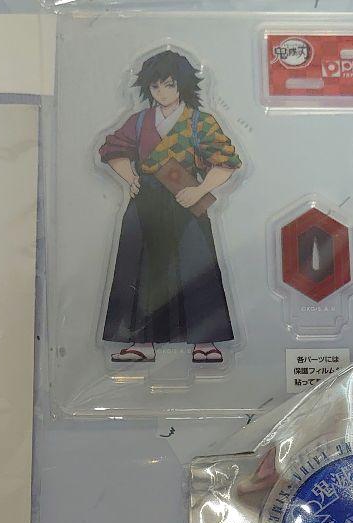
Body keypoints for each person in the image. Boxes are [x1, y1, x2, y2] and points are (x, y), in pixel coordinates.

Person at [99, 49, 241, 364]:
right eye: (155, 86)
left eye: (169, 85)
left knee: (196, 265)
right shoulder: (139, 122)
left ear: (183, 85)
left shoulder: (200, 122)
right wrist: (131, 178)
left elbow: (227, 162)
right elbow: (112, 150)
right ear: (147, 88)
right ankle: (142, 341)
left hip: (186, 200)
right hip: (146, 202)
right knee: (142, 267)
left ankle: (205, 341)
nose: (162, 92)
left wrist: (200, 189)